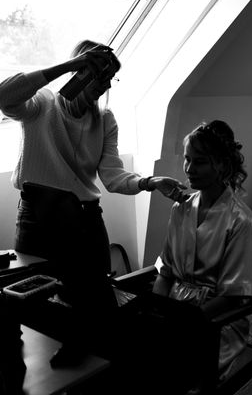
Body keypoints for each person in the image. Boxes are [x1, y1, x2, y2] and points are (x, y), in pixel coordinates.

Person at [0, 40, 187, 366]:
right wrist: (65, 68)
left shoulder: (105, 120)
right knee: (27, 299)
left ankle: (91, 369)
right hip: (36, 216)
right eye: (96, 75)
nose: (102, 86)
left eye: (107, 79)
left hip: (84, 219)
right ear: (79, 70)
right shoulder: (41, 105)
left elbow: (112, 176)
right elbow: (4, 96)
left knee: (94, 304)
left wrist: (149, 182)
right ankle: (23, 374)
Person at [152, 120, 252, 393]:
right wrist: (156, 313)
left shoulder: (240, 220)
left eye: (199, 162)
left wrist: (185, 323)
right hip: (176, 311)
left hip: (217, 321)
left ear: (221, 165)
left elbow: (234, 295)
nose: (188, 169)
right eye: (187, 159)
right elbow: (165, 273)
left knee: (177, 374)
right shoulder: (181, 208)